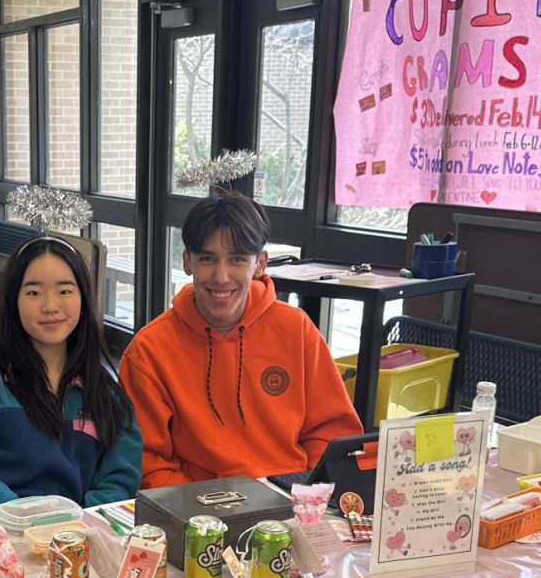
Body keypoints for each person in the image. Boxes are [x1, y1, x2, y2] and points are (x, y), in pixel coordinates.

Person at [119, 191, 362, 487]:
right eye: (207, 259)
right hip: (199, 508)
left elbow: (331, 432)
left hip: (290, 494)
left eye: (237, 259)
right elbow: (147, 460)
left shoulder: (296, 330)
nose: (221, 276)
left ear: (259, 264)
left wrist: (306, 490)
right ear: (187, 261)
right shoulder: (149, 350)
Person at [0, 235, 142, 522]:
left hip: (77, 547)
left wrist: (70, 526)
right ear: (13, 300)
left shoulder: (108, 395)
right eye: (34, 293)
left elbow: (119, 484)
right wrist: (19, 516)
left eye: (65, 291)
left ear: (85, 300)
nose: (50, 306)